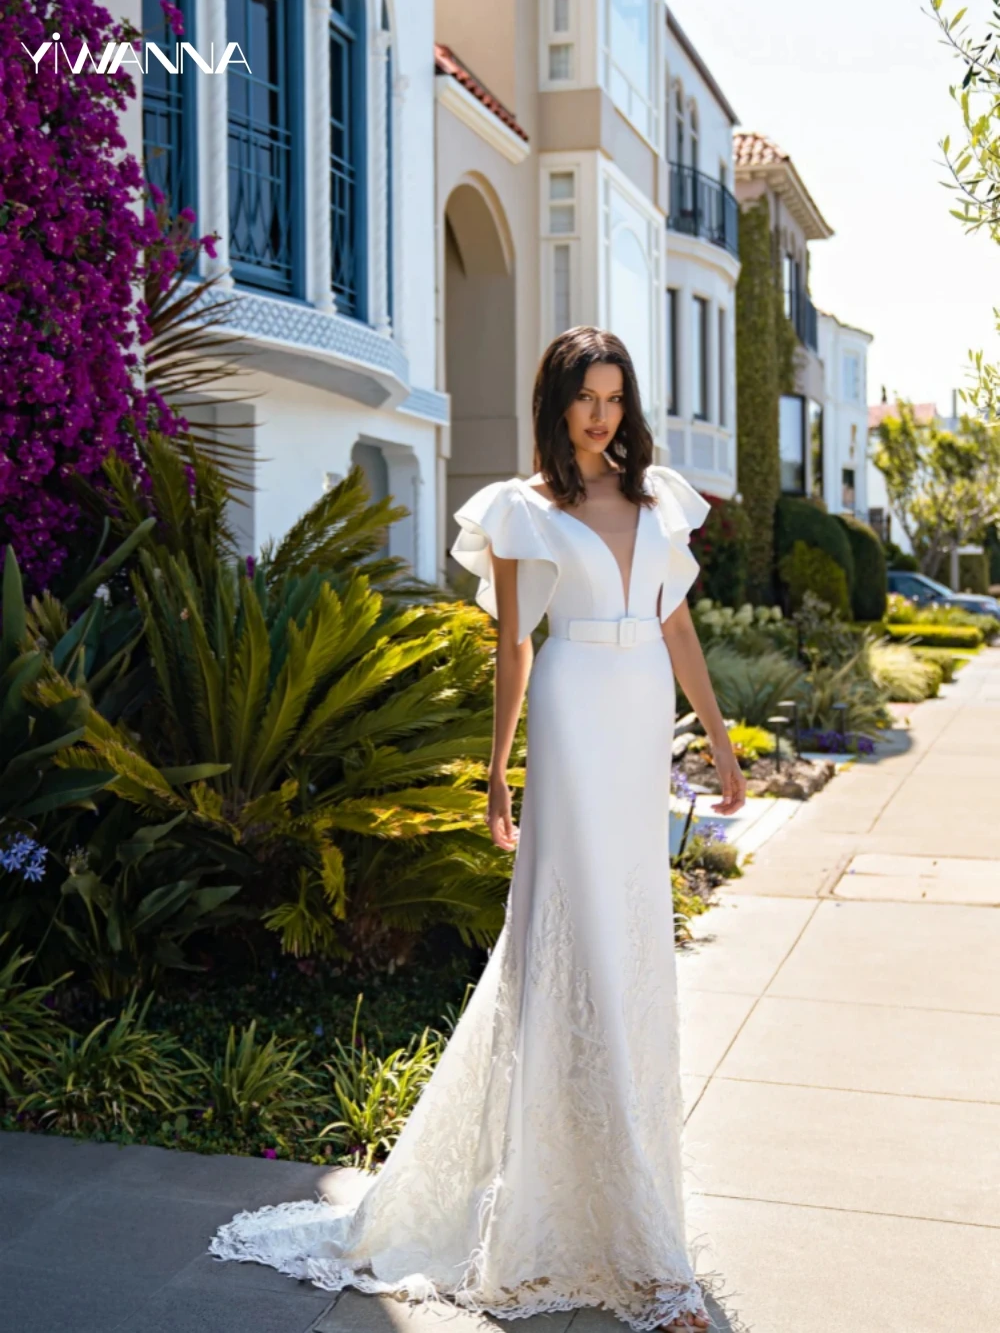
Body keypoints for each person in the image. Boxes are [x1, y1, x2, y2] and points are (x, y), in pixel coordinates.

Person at [209, 326, 747, 1333]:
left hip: (637, 727)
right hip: (576, 716)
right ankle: (644, 1252)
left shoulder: (658, 498)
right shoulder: (520, 511)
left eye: (614, 397)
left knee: (626, 960)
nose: (602, 414)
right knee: (572, 952)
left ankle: (605, 1208)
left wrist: (716, 747)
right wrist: (496, 776)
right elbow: (512, 649)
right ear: (556, 403)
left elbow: (676, 627)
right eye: (586, 397)